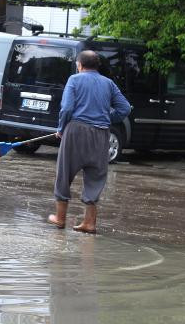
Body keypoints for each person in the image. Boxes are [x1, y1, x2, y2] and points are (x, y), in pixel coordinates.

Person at [48, 50, 131, 233]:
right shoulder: (108, 84)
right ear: (97, 65)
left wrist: (61, 128)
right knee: (96, 176)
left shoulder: (74, 80)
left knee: (64, 174)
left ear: (80, 65)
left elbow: (67, 108)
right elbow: (125, 108)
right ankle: (89, 223)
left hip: (76, 131)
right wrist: (108, 117)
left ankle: (60, 219)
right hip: (101, 134)